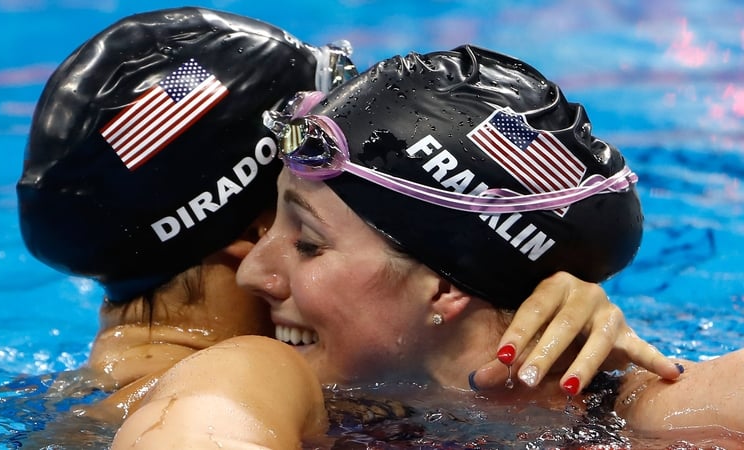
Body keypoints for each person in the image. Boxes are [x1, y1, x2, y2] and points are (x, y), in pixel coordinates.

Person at [18, 9, 683, 447]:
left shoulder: (64, 397)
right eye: (299, 224)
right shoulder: (252, 374)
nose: (266, 268)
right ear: (252, 224)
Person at [228, 45, 743, 440]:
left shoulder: (661, 416)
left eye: (310, 244)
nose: (250, 272)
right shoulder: (264, 382)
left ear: (445, 287)